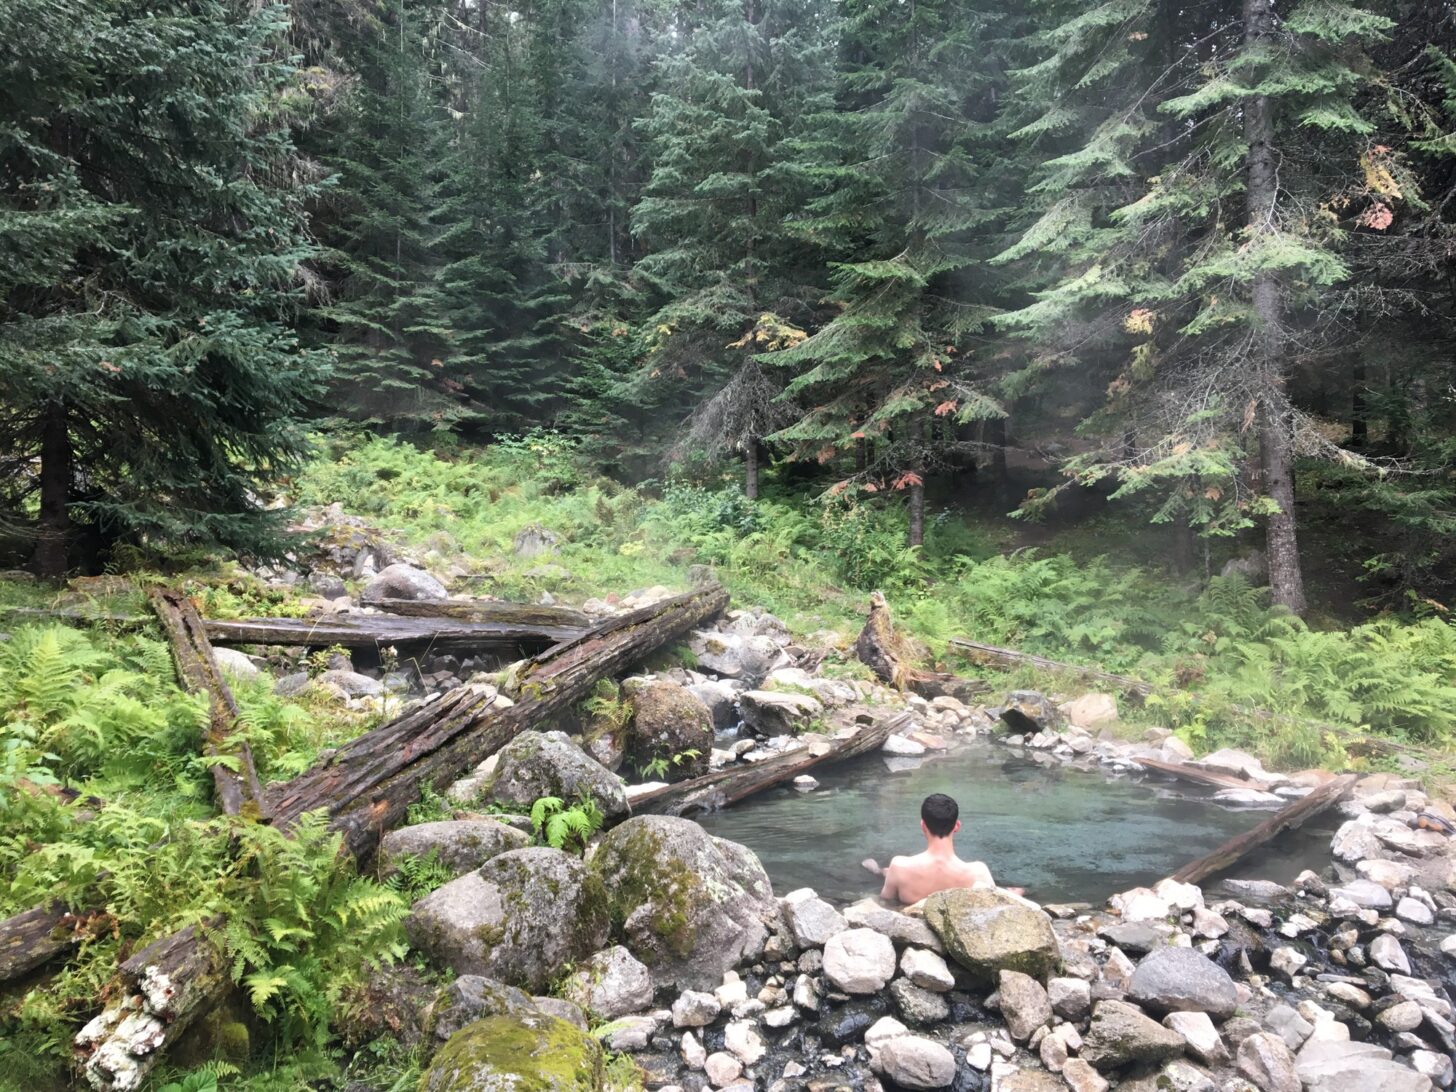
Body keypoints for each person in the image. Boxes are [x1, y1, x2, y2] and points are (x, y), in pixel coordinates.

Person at [863, 792, 1019, 905]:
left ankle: (880, 871)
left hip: (909, 894)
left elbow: (885, 901)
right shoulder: (978, 872)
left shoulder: (899, 865)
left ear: (922, 825)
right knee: (1014, 891)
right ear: (957, 826)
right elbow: (994, 905)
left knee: (889, 872)